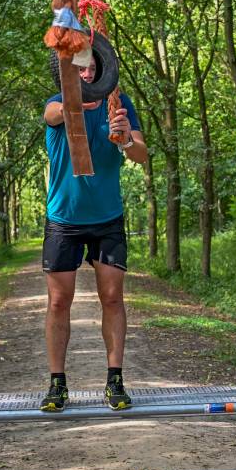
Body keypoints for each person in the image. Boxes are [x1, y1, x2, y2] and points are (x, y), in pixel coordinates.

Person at [40, 58, 148, 411]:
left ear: (103, 73)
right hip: (64, 219)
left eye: (93, 70)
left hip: (107, 218)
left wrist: (125, 139)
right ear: (72, 73)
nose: (87, 75)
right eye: (81, 70)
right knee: (59, 301)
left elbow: (142, 155)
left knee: (113, 297)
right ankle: (57, 384)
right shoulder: (58, 101)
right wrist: (74, 102)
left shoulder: (121, 104)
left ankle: (114, 381)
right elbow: (52, 115)